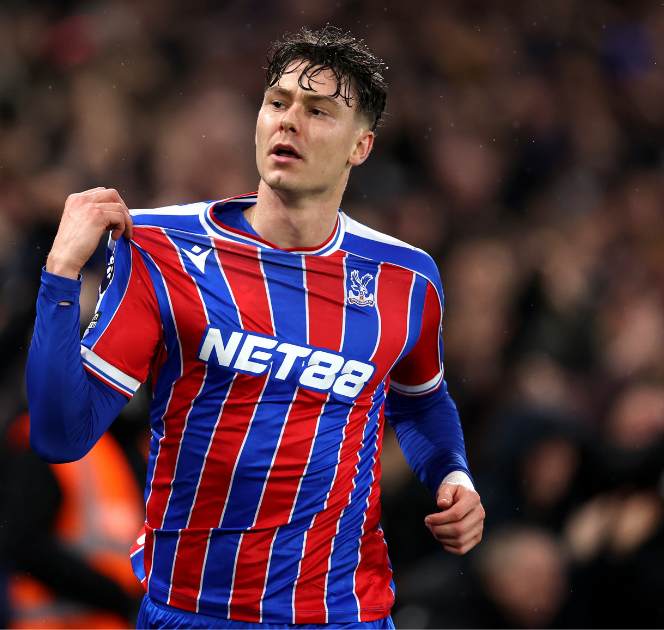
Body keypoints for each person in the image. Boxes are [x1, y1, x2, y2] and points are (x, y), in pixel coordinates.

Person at [27, 26, 485, 629]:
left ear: (361, 147)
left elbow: (421, 403)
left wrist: (452, 472)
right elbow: (62, 435)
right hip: (193, 611)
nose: (289, 121)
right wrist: (60, 276)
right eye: (277, 102)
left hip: (342, 614)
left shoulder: (405, 280)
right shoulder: (163, 250)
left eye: (318, 111)